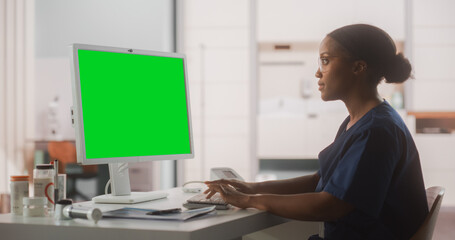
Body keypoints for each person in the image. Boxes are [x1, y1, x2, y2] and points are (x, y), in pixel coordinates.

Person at [205, 24, 428, 240]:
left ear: (358, 67)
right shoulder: (359, 121)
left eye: (325, 60)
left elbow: (330, 204)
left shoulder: (377, 131)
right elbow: (318, 181)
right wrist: (250, 189)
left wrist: (250, 201)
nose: (317, 73)